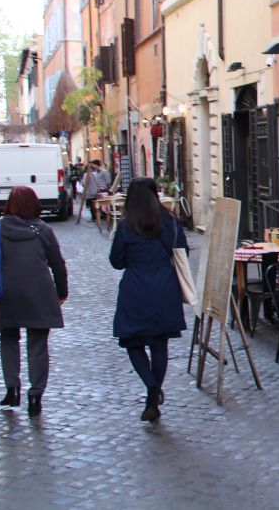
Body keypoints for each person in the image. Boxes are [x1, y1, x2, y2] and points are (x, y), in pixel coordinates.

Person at [0, 186, 69, 417]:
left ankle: (12, 389)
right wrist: (62, 292)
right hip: (39, 292)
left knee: (9, 339)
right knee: (37, 344)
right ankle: (35, 395)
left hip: (8, 293)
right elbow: (57, 264)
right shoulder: (43, 230)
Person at [110, 177, 188, 422]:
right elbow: (182, 252)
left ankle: (151, 386)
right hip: (165, 287)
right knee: (159, 342)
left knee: (133, 342)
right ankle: (153, 392)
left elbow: (116, 261)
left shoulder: (126, 225)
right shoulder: (171, 222)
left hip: (136, 288)